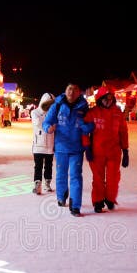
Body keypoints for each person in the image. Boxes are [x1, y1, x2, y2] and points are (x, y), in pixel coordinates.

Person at [42, 83, 95, 216]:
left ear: (79, 92)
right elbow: (46, 122)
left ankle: (75, 206)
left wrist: (85, 126)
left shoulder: (83, 107)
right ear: (65, 91)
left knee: (76, 176)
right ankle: (61, 197)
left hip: (77, 149)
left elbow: (91, 126)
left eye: (75, 89)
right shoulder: (57, 105)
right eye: (69, 89)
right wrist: (48, 128)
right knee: (61, 174)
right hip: (61, 148)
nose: (72, 92)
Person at [85, 86, 129, 212]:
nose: (108, 101)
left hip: (114, 152)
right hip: (97, 151)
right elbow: (84, 132)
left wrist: (125, 151)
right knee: (98, 178)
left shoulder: (118, 113)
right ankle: (98, 201)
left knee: (113, 178)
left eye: (110, 98)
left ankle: (110, 198)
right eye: (105, 99)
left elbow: (123, 132)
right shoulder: (92, 113)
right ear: (100, 99)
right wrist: (87, 146)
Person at [31, 92, 55, 195]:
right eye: (47, 103)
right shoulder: (35, 112)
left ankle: (47, 182)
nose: (49, 106)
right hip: (38, 144)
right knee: (38, 166)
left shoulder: (54, 113)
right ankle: (37, 184)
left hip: (50, 143)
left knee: (49, 165)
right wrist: (49, 121)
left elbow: (55, 126)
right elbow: (38, 123)